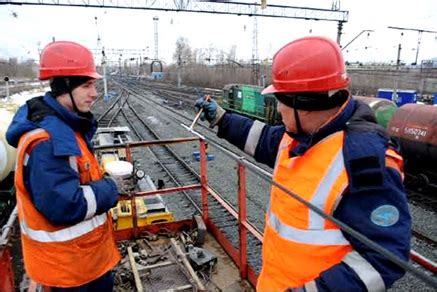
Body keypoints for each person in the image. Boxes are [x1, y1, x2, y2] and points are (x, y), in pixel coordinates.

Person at [195, 36, 411, 291]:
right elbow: (261, 138)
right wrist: (221, 118)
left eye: (281, 101)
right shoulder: (304, 134)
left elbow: (384, 259)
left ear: (303, 104)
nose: (278, 109)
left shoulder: (363, 161)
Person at [6, 41, 132, 291]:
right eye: (87, 85)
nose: (94, 93)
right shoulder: (48, 141)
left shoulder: (65, 127)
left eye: (94, 84)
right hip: (71, 273)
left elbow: (74, 181)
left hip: (83, 261)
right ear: (63, 87)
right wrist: (111, 187)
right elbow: (64, 204)